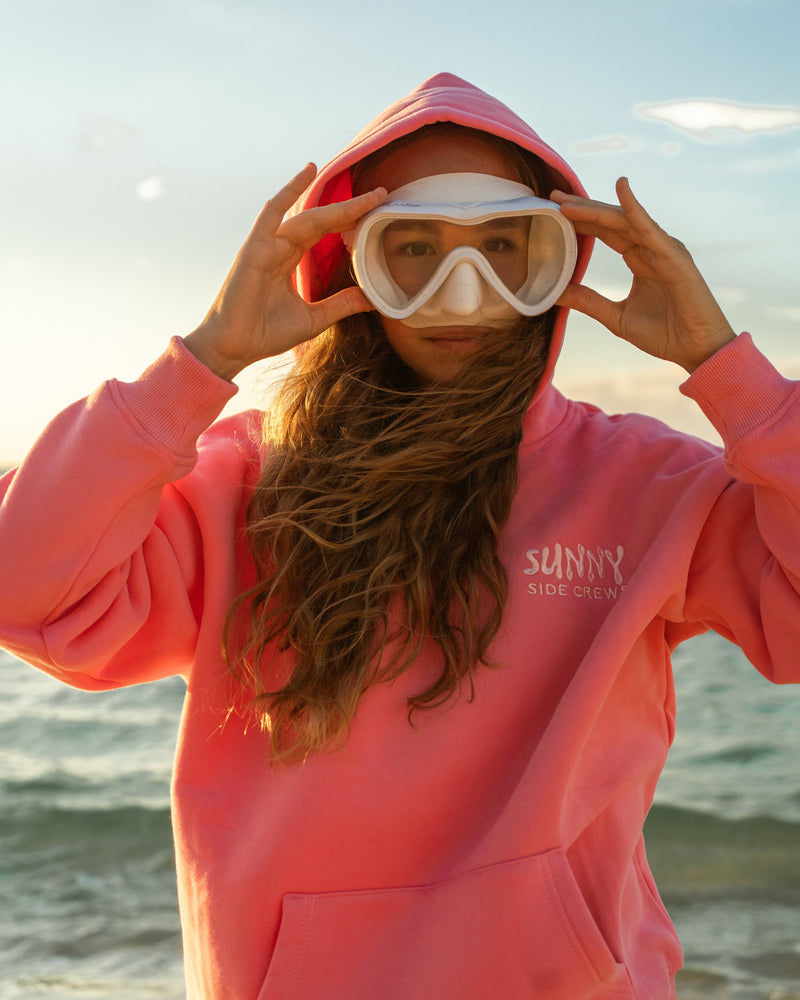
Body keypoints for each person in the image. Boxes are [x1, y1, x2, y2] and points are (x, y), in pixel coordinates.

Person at [1, 71, 798, 1000]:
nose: (462, 293)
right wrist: (204, 359)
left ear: (557, 264)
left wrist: (728, 371)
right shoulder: (239, 486)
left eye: (505, 246)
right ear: (349, 265)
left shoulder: (647, 488)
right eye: (411, 248)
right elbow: (22, 584)